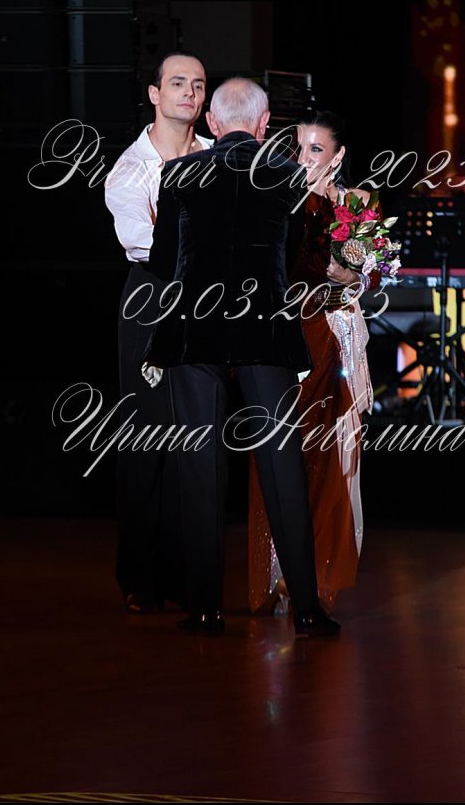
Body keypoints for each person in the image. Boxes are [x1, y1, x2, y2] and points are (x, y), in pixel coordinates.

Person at [141, 78, 341, 638]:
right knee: (281, 463)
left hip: (194, 329)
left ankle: (206, 608)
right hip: (264, 329)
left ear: (211, 123)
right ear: (264, 123)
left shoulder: (179, 174)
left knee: (198, 465)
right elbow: (297, 259)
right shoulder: (287, 176)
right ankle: (307, 609)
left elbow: (162, 260)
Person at [249, 111, 375, 613]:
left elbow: (366, 271)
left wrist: (351, 272)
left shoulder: (355, 203)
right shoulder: (275, 199)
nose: (303, 159)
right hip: (288, 333)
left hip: (335, 334)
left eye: (316, 150)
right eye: (297, 148)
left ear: (338, 156)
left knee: (333, 453)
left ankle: (317, 573)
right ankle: (275, 571)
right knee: (283, 451)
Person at [104, 51, 211, 613]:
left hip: (206, 302)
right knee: (148, 438)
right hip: (152, 296)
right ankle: (140, 574)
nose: (189, 93)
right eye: (178, 83)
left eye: (198, 85)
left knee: (196, 438)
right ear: (155, 94)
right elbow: (149, 246)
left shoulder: (215, 156)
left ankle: (187, 573)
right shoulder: (131, 169)